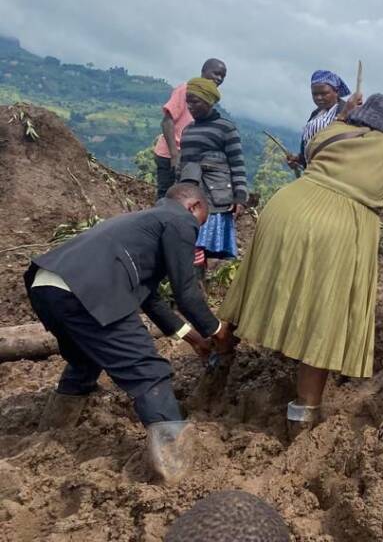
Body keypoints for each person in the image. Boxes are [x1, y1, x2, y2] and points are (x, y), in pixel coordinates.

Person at [218, 95, 383, 437]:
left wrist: (345, 110)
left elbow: (320, 141)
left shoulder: (331, 130)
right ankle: (303, 416)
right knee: (325, 317)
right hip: (339, 225)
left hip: (286, 209)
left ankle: (216, 356)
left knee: (258, 283)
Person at [23, 183, 232, 482]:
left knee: (84, 359)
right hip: (92, 290)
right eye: (201, 221)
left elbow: (149, 297)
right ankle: (175, 464)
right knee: (148, 371)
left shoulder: (138, 223)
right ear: (194, 207)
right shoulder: (180, 220)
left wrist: (192, 337)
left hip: (47, 285)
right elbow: (185, 292)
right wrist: (216, 330)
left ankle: (53, 429)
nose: (197, 230)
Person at [178, 78, 248, 277]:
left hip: (215, 200)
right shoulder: (188, 130)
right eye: (188, 101)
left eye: (196, 102)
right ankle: (194, 292)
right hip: (190, 198)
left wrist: (240, 197)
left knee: (202, 250)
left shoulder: (225, 129)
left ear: (209, 101)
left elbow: (237, 163)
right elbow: (182, 166)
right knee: (191, 249)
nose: (191, 106)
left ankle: (199, 292)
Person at [153, 59, 227, 201]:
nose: (219, 78)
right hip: (170, 155)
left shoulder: (208, 97)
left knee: (184, 198)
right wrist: (175, 155)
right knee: (166, 197)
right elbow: (167, 121)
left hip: (190, 158)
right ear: (203, 72)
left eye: (222, 76)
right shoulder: (185, 90)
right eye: (216, 73)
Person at [286, 70, 355, 172]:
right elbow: (313, 145)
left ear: (337, 92)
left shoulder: (348, 114)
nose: (318, 98)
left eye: (324, 93)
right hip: (312, 172)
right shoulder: (316, 113)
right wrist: (299, 159)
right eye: (315, 94)